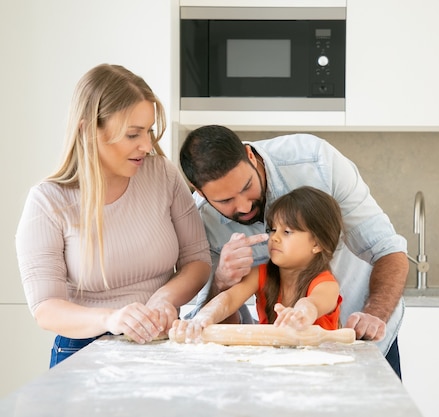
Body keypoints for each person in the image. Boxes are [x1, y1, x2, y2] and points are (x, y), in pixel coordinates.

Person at [15, 64, 212, 367]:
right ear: (88, 131)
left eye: (148, 131)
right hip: (81, 353)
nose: (147, 146)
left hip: (161, 345)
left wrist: (163, 299)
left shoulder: (163, 175)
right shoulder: (48, 202)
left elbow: (197, 261)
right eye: (133, 134)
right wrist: (113, 318)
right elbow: (46, 308)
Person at [179, 125, 408, 378]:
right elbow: (227, 301)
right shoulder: (200, 221)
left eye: (246, 187)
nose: (243, 206)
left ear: (250, 156)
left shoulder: (316, 160)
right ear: (199, 191)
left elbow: (387, 249)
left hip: (363, 341)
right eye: (225, 201)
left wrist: (371, 315)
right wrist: (213, 296)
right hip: (273, 366)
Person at [170, 186, 344, 342]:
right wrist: (203, 317)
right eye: (273, 229)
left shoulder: (326, 284)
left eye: (287, 232)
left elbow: (312, 303)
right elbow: (229, 299)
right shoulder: (261, 274)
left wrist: (301, 314)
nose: (274, 237)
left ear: (317, 244)